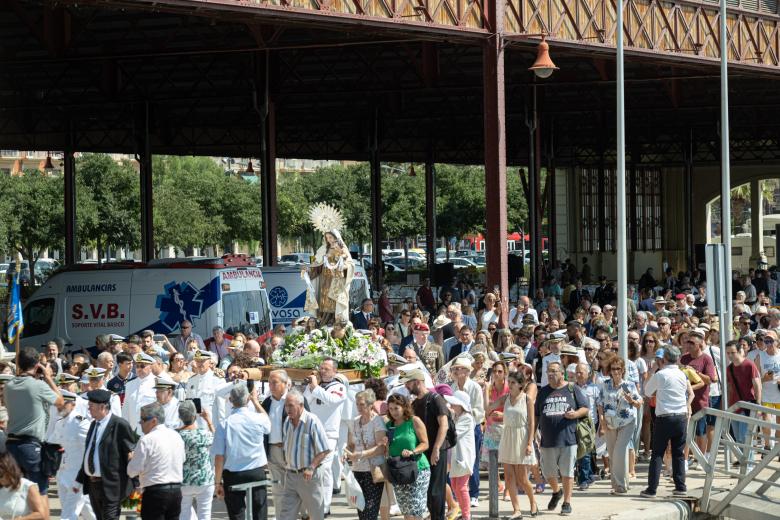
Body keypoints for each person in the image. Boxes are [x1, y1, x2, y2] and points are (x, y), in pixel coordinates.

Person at [4, 346, 64, 514]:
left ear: (19, 364)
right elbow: (60, 402)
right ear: (37, 364)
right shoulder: (37, 385)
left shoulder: (9, 385)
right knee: (41, 493)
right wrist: (48, 377)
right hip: (31, 446)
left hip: (11, 447)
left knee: (21, 496)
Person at [534, 361, 589, 516]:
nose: (550, 374)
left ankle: (567, 502)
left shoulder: (572, 389)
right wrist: (533, 435)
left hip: (568, 439)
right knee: (548, 473)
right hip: (547, 440)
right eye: (548, 372)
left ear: (561, 373)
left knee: (567, 472)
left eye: (554, 371)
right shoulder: (543, 391)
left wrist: (576, 414)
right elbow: (537, 415)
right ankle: (557, 491)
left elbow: (585, 408)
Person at [213, 384, 272, 520]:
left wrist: (217, 482)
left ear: (230, 401)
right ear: (247, 400)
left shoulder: (224, 424)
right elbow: (267, 424)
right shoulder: (258, 419)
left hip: (234, 474)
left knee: (237, 513)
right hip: (256, 471)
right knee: (260, 511)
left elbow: (219, 457)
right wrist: (256, 402)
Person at [641, 346, 693, 498]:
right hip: (681, 417)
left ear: (663, 359)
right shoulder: (682, 375)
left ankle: (652, 489)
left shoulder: (661, 374)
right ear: (677, 358)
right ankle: (680, 487)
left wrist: (653, 371)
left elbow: (647, 391)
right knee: (678, 453)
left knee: (657, 453)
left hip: (665, 418)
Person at [77, 389, 137, 520]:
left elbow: (130, 453)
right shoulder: (94, 424)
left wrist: (135, 482)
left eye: (91, 406)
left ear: (103, 407)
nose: (89, 409)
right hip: (93, 485)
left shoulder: (119, 425)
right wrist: (80, 480)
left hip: (112, 485)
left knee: (110, 517)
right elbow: (89, 452)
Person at [402, 368, 450, 520]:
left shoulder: (436, 399)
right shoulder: (414, 403)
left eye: (408, 384)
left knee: (436, 492)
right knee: (427, 491)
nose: (406, 387)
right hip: (423, 451)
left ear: (417, 382)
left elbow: (444, 425)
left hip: (437, 450)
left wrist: (436, 448)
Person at [127, 402, 185, 520]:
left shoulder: (146, 440)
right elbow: (182, 459)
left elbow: (132, 471)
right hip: (176, 491)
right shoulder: (176, 436)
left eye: (143, 420)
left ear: (153, 421)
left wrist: (130, 459)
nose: (141, 424)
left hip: (155, 493)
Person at [303, 357, 347, 513]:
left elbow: (332, 400)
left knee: (325, 469)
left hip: (329, 433)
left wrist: (315, 387)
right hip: (312, 431)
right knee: (310, 468)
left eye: (326, 369)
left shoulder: (339, 387)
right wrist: (311, 386)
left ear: (335, 371)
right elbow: (305, 401)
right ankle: (312, 503)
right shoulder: (315, 385)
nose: (322, 371)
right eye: (321, 368)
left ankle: (325, 505)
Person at [279, 389, 331, 520]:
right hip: (290, 475)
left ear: (301, 405)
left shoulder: (312, 421)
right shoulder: (287, 422)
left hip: (309, 477)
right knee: (285, 515)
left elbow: (324, 449)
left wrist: (312, 467)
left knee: (316, 514)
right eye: (286, 405)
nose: (287, 409)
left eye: (291, 405)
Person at [597, 357, 642, 494]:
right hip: (610, 423)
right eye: (613, 369)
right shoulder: (605, 384)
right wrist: (602, 422)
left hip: (627, 422)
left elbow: (639, 403)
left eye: (618, 369)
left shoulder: (628, 385)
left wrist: (631, 401)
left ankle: (621, 486)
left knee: (619, 452)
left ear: (623, 370)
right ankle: (616, 485)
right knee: (612, 454)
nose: (615, 371)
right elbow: (600, 404)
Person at [49, 389, 95, 520]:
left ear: (73, 404)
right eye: (58, 404)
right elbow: (52, 444)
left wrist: (87, 474)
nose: (59, 407)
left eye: (63, 403)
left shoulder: (81, 423)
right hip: (62, 474)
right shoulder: (59, 423)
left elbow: (90, 449)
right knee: (87, 511)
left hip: (77, 476)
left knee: (68, 514)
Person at [497, 371, 537, 519]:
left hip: (522, 438)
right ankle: (517, 510)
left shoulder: (527, 400)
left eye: (513, 382)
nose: (510, 385)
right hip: (507, 437)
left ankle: (533, 502)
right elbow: (489, 407)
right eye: (509, 382)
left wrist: (529, 443)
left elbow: (532, 423)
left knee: (522, 479)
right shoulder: (505, 398)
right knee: (508, 477)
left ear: (521, 385)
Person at [344, 389, 388, 520]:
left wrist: (361, 454)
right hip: (358, 469)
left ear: (370, 405)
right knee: (361, 509)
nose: (359, 407)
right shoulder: (355, 421)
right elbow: (351, 444)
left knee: (370, 511)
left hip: (373, 470)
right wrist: (345, 452)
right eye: (357, 404)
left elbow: (381, 448)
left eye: (362, 404)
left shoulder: (377, 421)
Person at [386, 393, 430, 520]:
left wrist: (413, 451)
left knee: (416, 509)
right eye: (391, 408)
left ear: (404, 407)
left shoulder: (414, 421)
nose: (394, 412)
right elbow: (389, 449)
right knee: (406, 510)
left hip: (418, 469)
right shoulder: (389, 426)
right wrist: (385, 444)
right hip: (398, 471)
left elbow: (425, 443)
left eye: (396, 408)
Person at [448, 357, 485, 507]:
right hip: (456, 426)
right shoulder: (452, 386)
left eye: (459, 368)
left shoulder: (475, 387)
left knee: (472, 461)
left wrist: (465, 414)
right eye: (455, 369)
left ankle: (474, 494)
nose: (456, 371)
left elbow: (479, 410)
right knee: (456, 460)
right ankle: (459, 495)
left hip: (473, 426)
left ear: (467, 371)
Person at [304, 218, 355, 324]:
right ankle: (324, 321)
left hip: (336, 280)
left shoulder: (342, 248)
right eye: (327, 238)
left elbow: (349, 264)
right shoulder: (323, 249)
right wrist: (309, 270)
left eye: (331, 237)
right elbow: (317, 265)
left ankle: (334, 320)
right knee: (324, 302)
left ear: (336, 237)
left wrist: (340, 264)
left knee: (334, 302)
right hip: (325, 281)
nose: (329, 240)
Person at [177, 400, 215, 520]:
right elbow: (218, 441)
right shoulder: (204, 434)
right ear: (195, 415)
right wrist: (208, 421)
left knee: (184, 514)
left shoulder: (175, 435)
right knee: (205, 515)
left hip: (183, 480)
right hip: (204, 480)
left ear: (180, 416)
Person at [444, 390, 476, 520]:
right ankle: (463, 513)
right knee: (455, 486)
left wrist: (448, 418)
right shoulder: (456, 417)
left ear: (461, 405)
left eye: (454, 403)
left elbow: (454, 433)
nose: (451, 405)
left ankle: (466, 516)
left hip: (464, 457)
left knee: (461, 487)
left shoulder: (467, 418)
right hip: (455, 457)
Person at [0, 448, 47, 520]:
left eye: (1, 475)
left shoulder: (28, 486)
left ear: (9, 471)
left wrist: (22, 519)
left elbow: (41, 514)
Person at [121, 352, 157, 434]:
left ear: (150, 367)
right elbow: (126, 410)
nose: (139, 369)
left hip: (151, 431)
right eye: (137, 366)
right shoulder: (130, 384)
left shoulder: (157, 383)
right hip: (133, 431)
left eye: (142, 366)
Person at [186, 350, 220, 430]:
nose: (200, 364)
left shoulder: (217, 380)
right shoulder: (191, 380)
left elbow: (221, 408)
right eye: (197, 361)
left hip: (210, 425)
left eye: (202, 361)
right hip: (195, 426)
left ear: (209, 362)